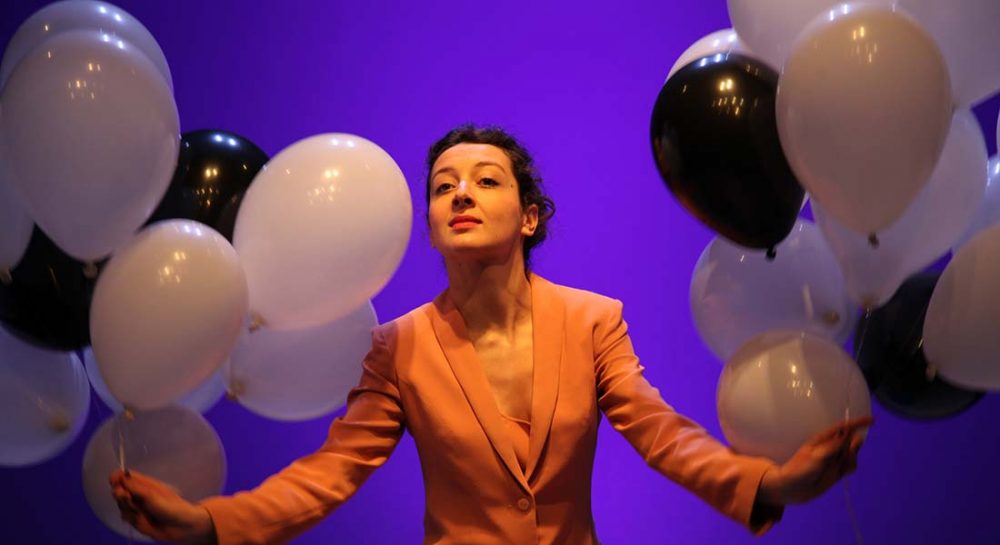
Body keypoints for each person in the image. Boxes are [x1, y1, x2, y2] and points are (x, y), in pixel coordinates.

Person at [110, 124, 872, 545]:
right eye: (443, 186)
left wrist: (774, 483)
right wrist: (209, 523)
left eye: (485, 179)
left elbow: (665, 436)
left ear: (529, 216)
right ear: (431, 227)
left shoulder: (593, 320)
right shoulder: (398, 348)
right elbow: (327, 475)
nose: (460, 193)